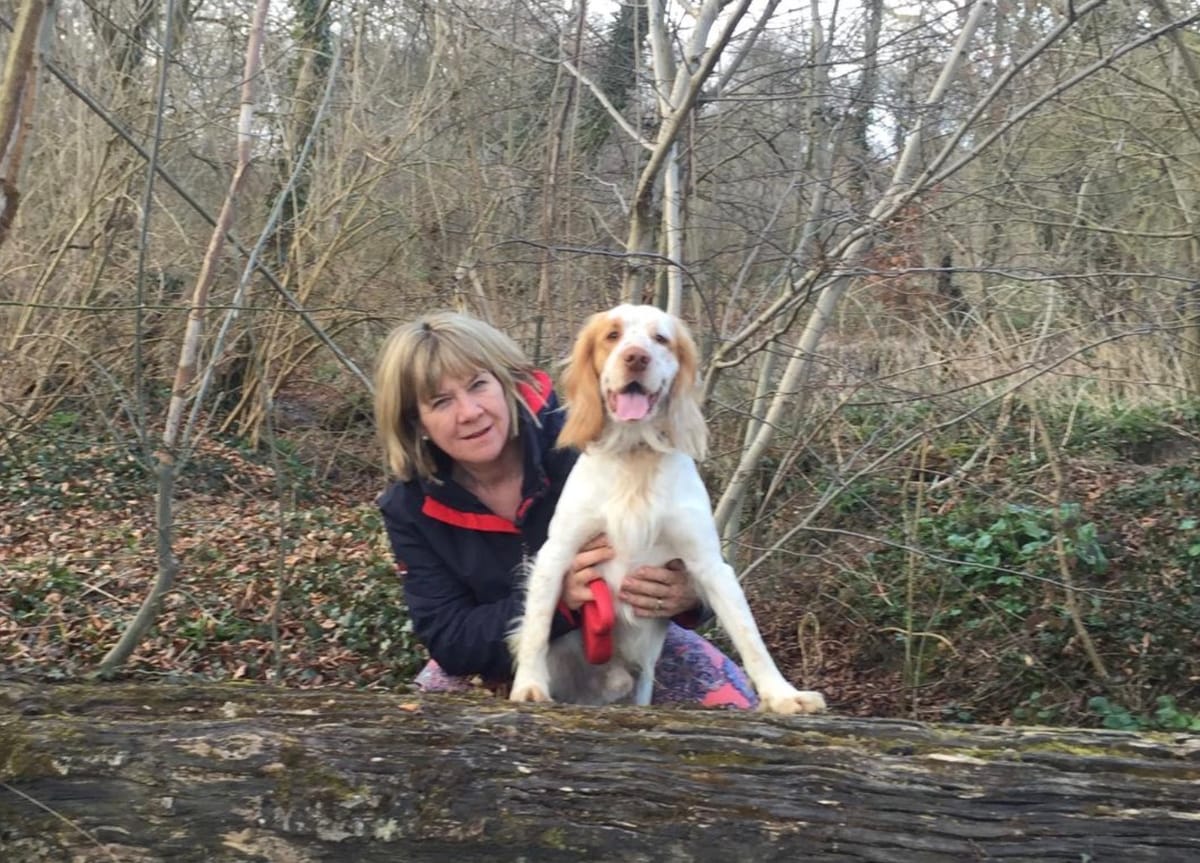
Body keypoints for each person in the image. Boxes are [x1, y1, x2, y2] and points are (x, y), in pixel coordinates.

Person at [373, 310, 758, 708]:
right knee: (426, 721)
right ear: (417, 422)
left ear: (508, 385)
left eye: (479, 385)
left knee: (736, 704)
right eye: (441, 401)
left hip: (632, 637)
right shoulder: (410, 509)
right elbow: (450, 641)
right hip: (502, 662)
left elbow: (702, 560)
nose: (470, 412)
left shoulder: (594, 441)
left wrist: (691, 597)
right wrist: (559, 604)